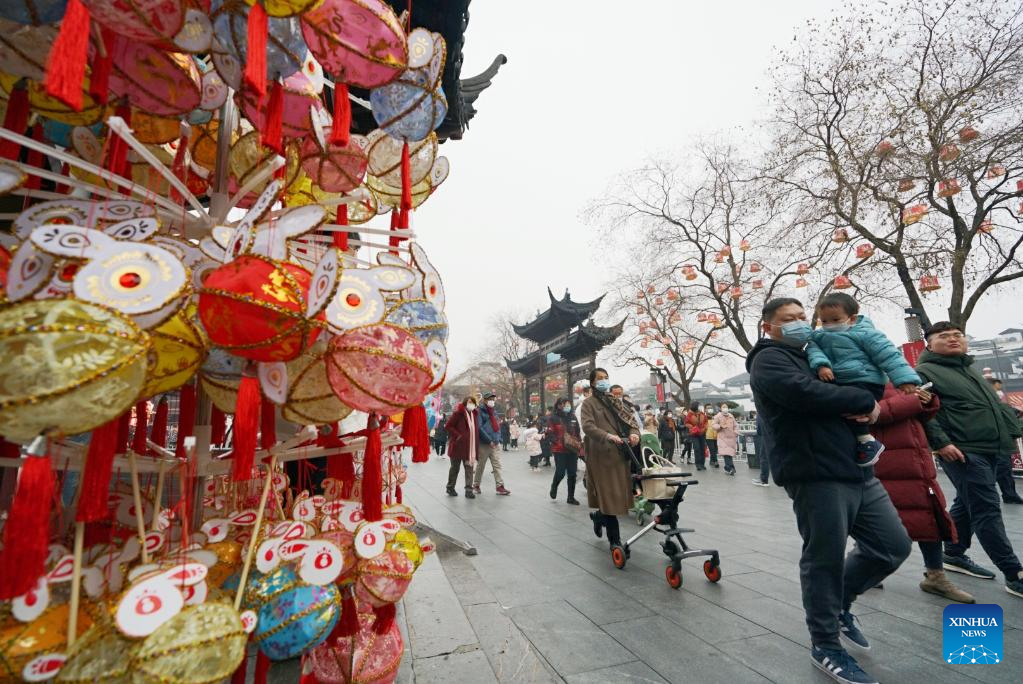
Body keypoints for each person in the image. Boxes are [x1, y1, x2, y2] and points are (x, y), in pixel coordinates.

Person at [748, 297, 911, 684]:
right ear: (767, 326)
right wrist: (862, 399)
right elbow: (806, 395)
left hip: (854, 467)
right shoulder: (768, 359)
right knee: (824, 557)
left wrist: (874, 404)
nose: (801, 323)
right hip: (814, 470)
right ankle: (825, 644)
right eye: (789, 319)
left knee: (892, 546)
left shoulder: (815, 354)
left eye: (803, 317)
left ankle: (840, 604)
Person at [913, 322, 1023, 598]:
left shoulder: (968, 370)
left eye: (957, 335)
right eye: (944, 336)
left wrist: (1012, 430)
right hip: (963, 450)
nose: (953, 339)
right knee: (986, 507)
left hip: (993, 447)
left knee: (967, 501)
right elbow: (924, 411)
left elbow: (993, 408)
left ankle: (953, 552)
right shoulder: (923, 372)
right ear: (929, 343)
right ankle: (1014, 573)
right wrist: (942, 443)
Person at [872, 383, 974, 603]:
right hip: (886, 462)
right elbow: (868, 412)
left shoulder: (900, 378)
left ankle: (936, 575)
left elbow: (918, 415)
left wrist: (928, 403)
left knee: (930, 515)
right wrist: (914, 400)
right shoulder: (856, 374)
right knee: (879, 519)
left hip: (917, 460)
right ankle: (869, 569)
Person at [807, 292, 922, 467]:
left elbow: (889, 356)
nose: (829, 325)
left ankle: (866, 440)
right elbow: (813, 350)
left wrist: (905, 379)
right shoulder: (818, 336)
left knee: (854, 410)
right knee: (840, 410)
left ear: (851, 318)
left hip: (865, 380)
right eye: (824, 321)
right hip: (839, 381)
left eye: (835, 320)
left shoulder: (868, 334)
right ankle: (857, 442)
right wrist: (822, 365)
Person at [581, 368, 640, 551]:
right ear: (592, 383)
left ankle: (599, 517)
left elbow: (631, 422)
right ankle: (615, 541)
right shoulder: (588, 404)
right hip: (601, 456)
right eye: (600, 379)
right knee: (608, 497)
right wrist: (607, 436)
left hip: (620, 455)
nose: (604, 381)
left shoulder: (616, 402)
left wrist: (635, 434)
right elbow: (588, 426)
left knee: (616, 497)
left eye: (606, 378)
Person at [987, 377, 1023, 504]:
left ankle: (1009, 495)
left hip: (1000, 441)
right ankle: (1008, 495)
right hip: (995, 441)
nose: (1000, 391)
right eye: (998, 387)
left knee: (1004, 471)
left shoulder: (999, 403)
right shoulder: (990, 402)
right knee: (1002, 470)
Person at [472, 393, 511, 495]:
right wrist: (489, 440)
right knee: (481, 466)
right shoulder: (479, 412)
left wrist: (498, 439)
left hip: (495, 443)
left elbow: (497, 426)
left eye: (493, 399)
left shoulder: (494, 412)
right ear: (484, 400)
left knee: (497, 465)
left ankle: (500, 486)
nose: (492, 401)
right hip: (484, 444)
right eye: (490, 399)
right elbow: (479, 428)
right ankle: (476, 485)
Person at [547, 397, 582, 504]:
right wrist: (557, 441)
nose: (567, 406)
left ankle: (570, 497)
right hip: (559, 449)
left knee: (572, 473)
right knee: (561, 472)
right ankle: (554, 486)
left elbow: (577, 432)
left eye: (568, 404)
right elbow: (550, 433)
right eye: (564, 404)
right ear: (558, 405)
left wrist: (579, 444)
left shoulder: (573, 417)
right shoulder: (553, 418)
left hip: (572, 449)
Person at [444, 397, 479, 498]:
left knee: (469, 468)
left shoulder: (475, 414)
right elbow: (448, 426)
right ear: (464, 403)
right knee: (455, 468)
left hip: (469, 448)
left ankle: (469, 490)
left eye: (473, 403)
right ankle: (450, 487)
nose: (471, 404)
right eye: (469, 402)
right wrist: (458, 435)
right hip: (457, 447)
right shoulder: (458, 414)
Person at [711, 403, 739, 475]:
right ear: (721, 408)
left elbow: (736, 425)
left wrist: (735, 432)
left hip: (731, 438)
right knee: (726, 453)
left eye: (726, 407)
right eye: (723, 407)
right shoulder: (718, 416)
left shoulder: (731, 416)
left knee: (730, 454)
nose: (725, 408)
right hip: (722, 438)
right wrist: (720, 426)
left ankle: (727, 467)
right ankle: (731, 468)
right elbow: (713, 425)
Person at [684, 402, 709, 471]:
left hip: (702, 433)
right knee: (697, 449)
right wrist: (692, 427)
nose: (700, 407)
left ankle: (702, 464)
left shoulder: (702, 414)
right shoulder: (689, 414)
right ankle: (698, 464)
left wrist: (704, 428)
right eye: (699, 406)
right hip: (694, 434)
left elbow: (706, 422)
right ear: (695, 406)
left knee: (702, 448)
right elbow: (686, 423)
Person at [751, 412, 771, 486]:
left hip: (766, 434)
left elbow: (759, 425)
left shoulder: (762, 408)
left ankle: (764, 479)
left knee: (764, 457)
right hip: (777, 433)